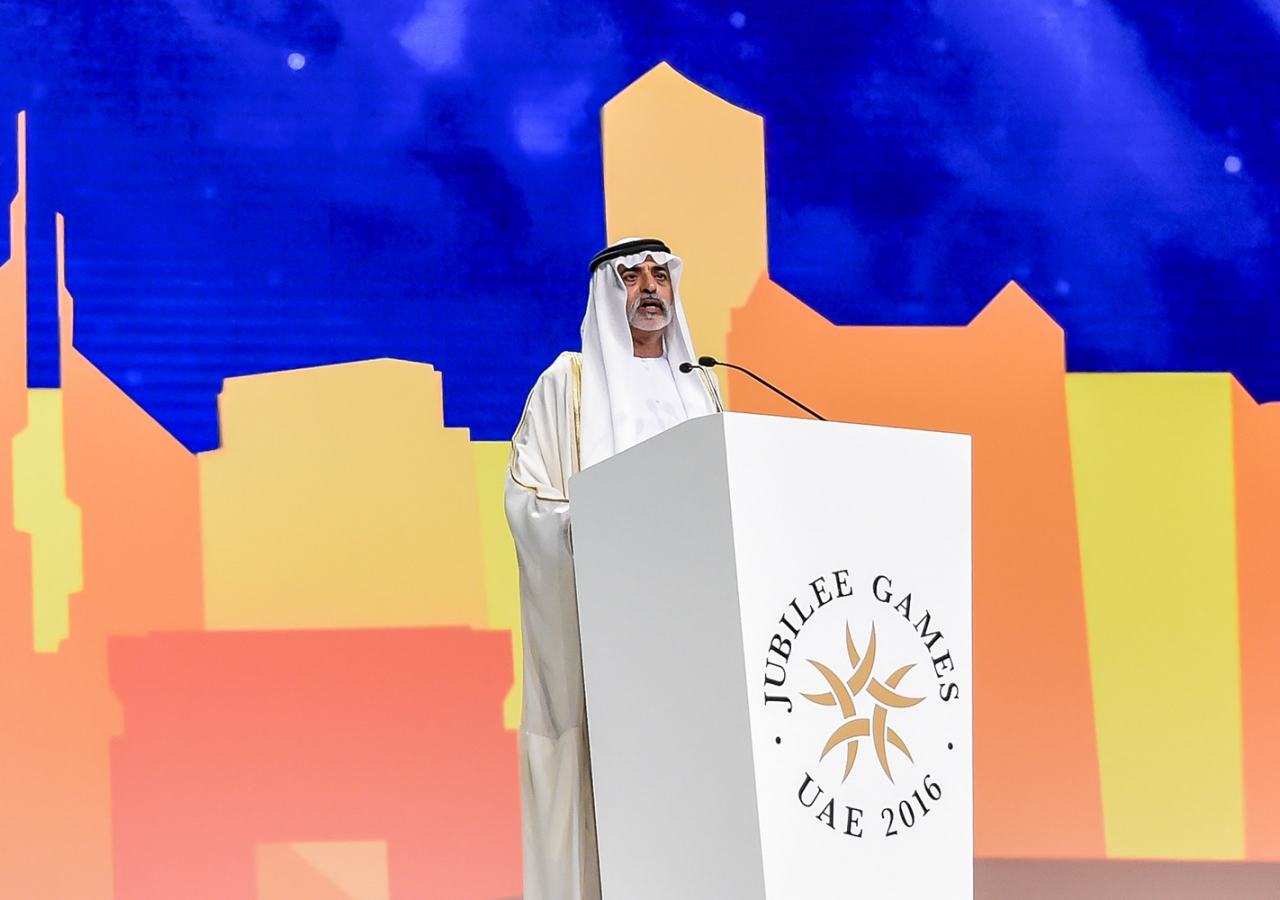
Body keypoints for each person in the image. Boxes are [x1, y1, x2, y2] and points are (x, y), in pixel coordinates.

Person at [504, 237, 720, 900]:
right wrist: (592, 524)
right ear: (607, 291)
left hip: (690, 626)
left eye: (661, 274)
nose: (650, 287)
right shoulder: (566, 384)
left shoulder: (701, 385)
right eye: (632, 277)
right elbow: (527, 498)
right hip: (601, 619)